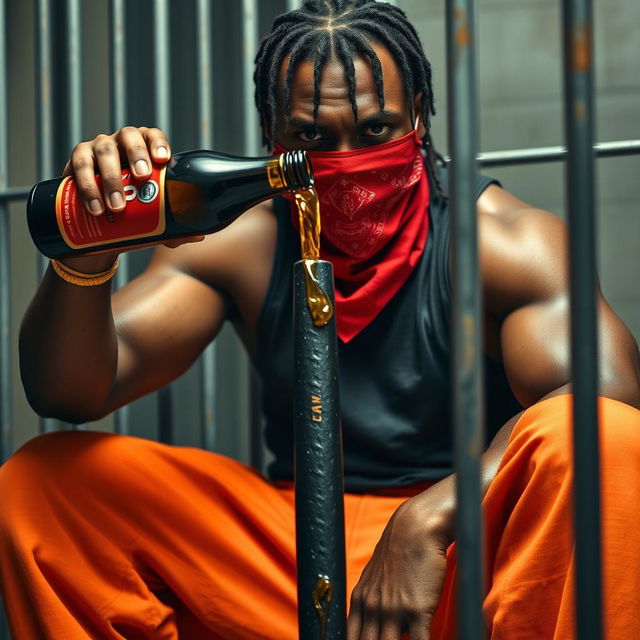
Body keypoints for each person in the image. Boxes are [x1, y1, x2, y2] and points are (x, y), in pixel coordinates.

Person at [2, 1, 640, 638]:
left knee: (601, 437)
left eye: (374, 132)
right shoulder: (243, 242)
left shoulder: (501, 242)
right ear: (272, 134)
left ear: (418, 113)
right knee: (41, 484)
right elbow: (72, 392)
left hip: (460, 562)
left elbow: (611, 390)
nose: (345, 162)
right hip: (294, 551)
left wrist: (431, 517)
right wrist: (86, 253)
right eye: (311, 138)